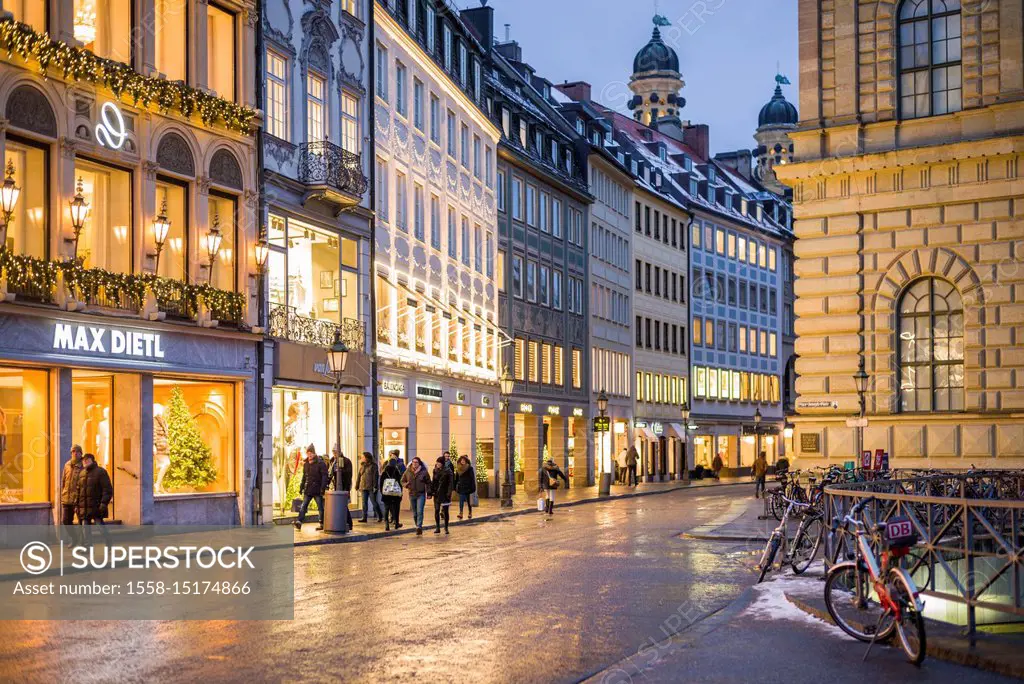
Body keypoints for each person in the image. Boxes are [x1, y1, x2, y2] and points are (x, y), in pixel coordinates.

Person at [76, 452, 113, 545]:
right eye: (84, 460)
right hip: (84, 506)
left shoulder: (100, 472)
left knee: (100, 526)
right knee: (85, 529)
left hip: (96, 506)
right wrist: (76, 505)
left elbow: (107, 489)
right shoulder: (81, 473)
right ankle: (88, 547)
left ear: (92, 461)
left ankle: (108, 541)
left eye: (87, 460)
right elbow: (78, 491)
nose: (85, 462)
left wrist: (104, 503)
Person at [295, 445, 330, 530]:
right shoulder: (306, 464)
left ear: (314, 453)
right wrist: (301, 487)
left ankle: (322, 523)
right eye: (308, 453)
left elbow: (324, 476)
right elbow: (304, 476)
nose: (309, 455)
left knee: (320, 507)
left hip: (317, 489)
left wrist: (322, 488)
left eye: (311, 453)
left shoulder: (320, 463)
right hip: (308, 489)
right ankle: (299, 521)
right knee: (304, 506)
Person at [60, 445, 84, 545]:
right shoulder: (67, 465)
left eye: (77, 451)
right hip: (66, 498)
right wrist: (63, 493)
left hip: (78, 499)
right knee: (66, 521)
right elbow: (63, 480)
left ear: (81, 453)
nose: (75, 453)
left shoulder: (83, 465)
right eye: (73, 451)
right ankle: (74, 538)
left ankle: (82, 543)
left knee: (81, 523)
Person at [401, 457, 431, 535]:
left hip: (421, 494)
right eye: (413, 462)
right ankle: (417, 525)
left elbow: (428, 483)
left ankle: (419, 527)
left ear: (419, 463)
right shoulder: (408, 471)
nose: (414, 464)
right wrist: (405, 485)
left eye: (416, 462)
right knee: (415, 513)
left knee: (420, 511)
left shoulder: (424, 472)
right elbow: (402, 480)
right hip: (412, 494)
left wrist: (429, 493)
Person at [328, 446, 354, 531]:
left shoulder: (346, 461)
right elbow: (330, 473)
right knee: (339, 505)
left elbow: (349, 475)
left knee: (343, 505)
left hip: (343, 485)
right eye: (333, 452)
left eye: (336, 452)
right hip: (335, 485)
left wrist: (340, 470)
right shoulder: (332, 460)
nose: (334, 454)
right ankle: (342, 522)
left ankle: (349, 523)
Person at [379, 451, 405, 531]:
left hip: (386, 494)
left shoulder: (384, 472)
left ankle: (386, 524)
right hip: (395, 494)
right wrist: (401, 492)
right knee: (396, 509)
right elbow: (400, 483)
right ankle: (396, 523)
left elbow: (381, 484)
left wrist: (382, 492)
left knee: (387, 509)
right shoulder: (397, 472)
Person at [356, 452, 384, 523]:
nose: (361, 458)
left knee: (374, 502)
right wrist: (357, 485)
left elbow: (375, 476)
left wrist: (375, 486)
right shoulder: (362, 466)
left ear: (366, 458)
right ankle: (364, 517)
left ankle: (380, 516)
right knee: (364, 503)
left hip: (371, 487)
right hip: (363, 487)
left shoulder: (373, 466)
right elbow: (359, 476)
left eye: (363, 457)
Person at [431, 456, 454, 534]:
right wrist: (431, 491)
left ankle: (446, 527)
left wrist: (449, 492)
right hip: (437, 493)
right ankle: (437, 527)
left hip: (445, 493)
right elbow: (433, 481)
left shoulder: (448, 471)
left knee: (445, 511)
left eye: (439, 463)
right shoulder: (435, 470)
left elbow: (451, 483)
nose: (437, 464)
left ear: (442, 463)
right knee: (436, 510)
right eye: (437, 462)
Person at [453, 455, 476, 520]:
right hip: (461, 486)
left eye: (464, 460)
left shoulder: (469, 468)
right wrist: (455, 486)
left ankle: (470, 512)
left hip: (468, 486)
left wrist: (473, 486)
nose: (462, 461)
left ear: (466, 461)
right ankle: (461, 513)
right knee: (461, 500)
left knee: (468, 500)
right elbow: (456, 479)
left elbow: (472, 478)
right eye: (461, 460)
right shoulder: (458, 468)